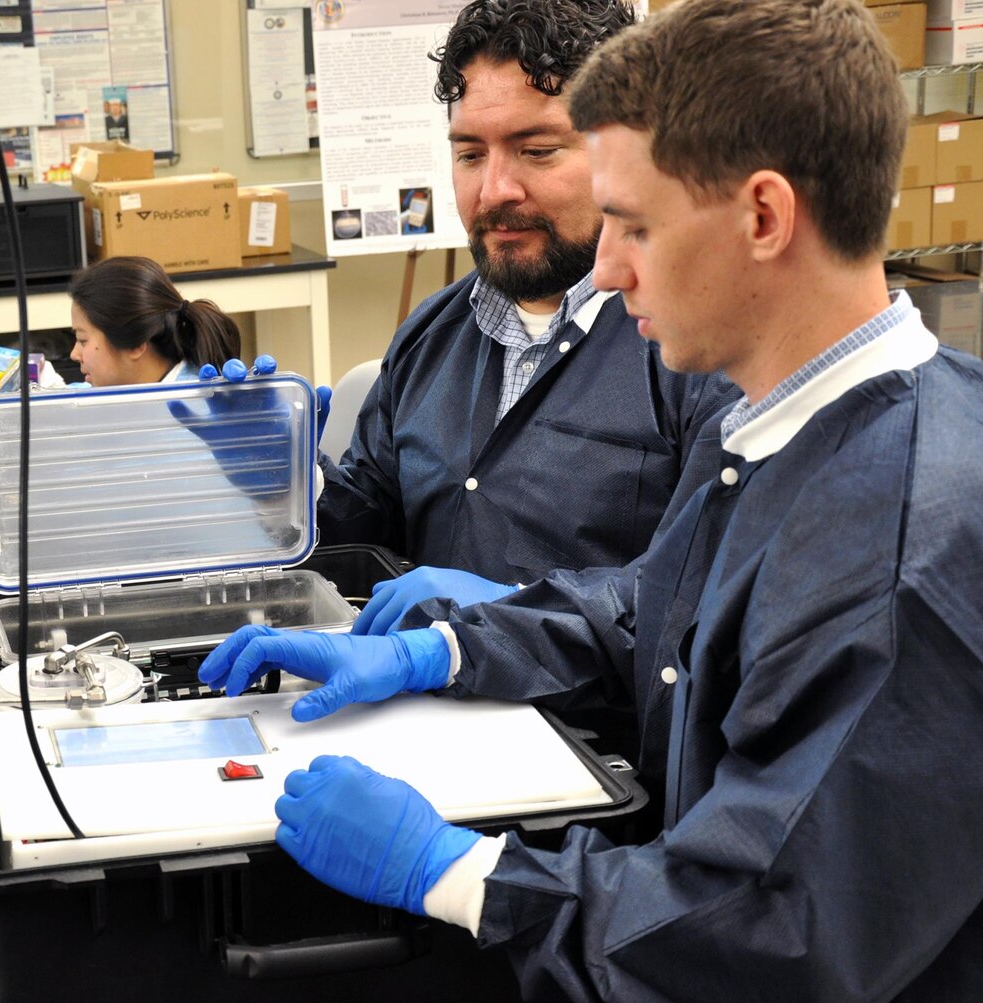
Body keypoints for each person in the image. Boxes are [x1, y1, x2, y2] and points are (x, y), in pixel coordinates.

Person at [198, 1, 983, 1003]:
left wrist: (453, 873)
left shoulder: (915, 539)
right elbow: (654, 616)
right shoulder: (792, 423)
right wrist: (443, 648)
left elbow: (765, 937)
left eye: (638, 226)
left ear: (764, 217)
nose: (608, 272)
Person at [305, 0, 739, 632]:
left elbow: (697, 593)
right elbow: (369, 527)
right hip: (425, 708)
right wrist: (285, 481)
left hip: (588, 729)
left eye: (536, 151)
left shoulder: (701, 353)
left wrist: (503, 616)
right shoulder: (433, 335)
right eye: (470, 155)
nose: (494, 191)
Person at [68, 256, 245, 387]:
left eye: (83, 340)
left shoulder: (194, 410)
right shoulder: (126, 389)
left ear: (135, 346)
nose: (74, 354)